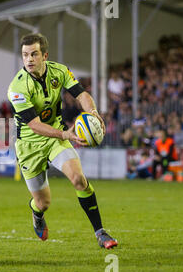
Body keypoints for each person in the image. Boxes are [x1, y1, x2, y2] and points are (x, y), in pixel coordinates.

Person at [8, 33, 117, 249]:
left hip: (55, 140)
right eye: (25, 55)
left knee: (78, 178)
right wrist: (66, 134)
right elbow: (34, 125)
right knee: (43, 203)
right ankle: (37, 213)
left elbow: (81, 94)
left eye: (34, 54)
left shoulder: (60, 71)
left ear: (45, 55)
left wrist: (93, 112)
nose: (29, 59)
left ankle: (100, 232)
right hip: (29, 145)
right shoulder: (17, 88)